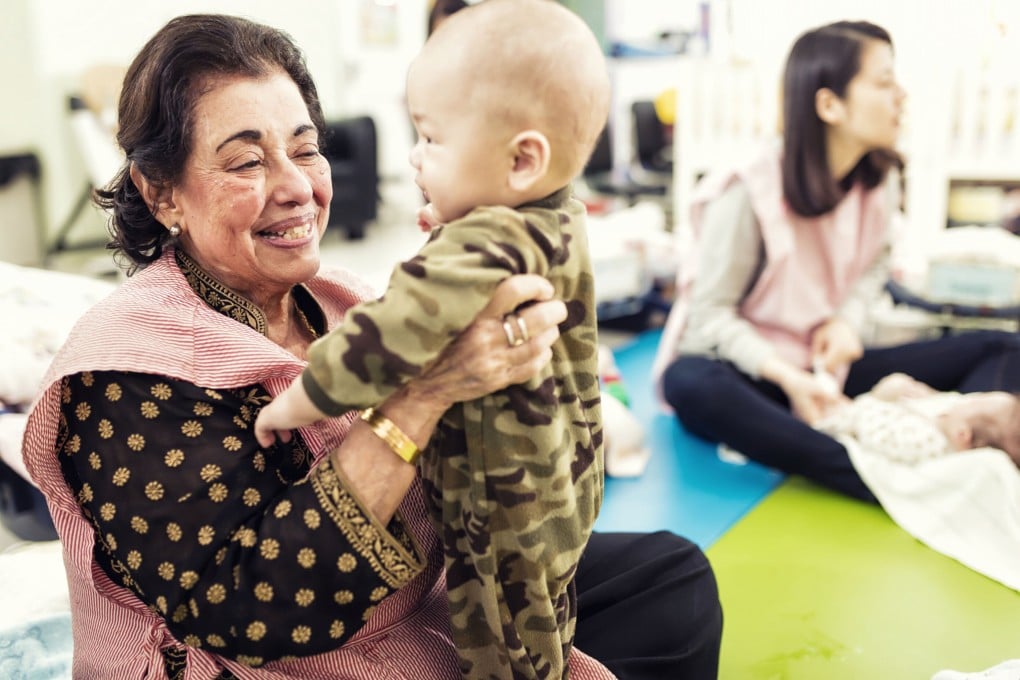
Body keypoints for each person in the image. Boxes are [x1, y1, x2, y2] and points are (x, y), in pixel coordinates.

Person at [21, 13, 722, 680]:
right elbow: (249, 608)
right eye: (245, 163)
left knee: (669, 577)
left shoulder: (340, 297)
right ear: (161, 192)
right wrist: (425, 394)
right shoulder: (122, 376)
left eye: (304, 148)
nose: (296, 187)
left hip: (416, 596)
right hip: (270, 653)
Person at [254, 1, 609, 676]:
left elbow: (390, 331)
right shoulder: (558, 215)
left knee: (501, 649)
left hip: (501, 506)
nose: (416, 157)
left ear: (522, 159)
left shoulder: (481, 242)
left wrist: (299, 399)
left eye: (432, 139)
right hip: (566, 482)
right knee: (550, 631)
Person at [653, 19, 1020, 502]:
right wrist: (789, 378)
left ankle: (958, 435)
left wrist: (846, 322)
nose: (901, 96)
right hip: (757, 374)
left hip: (828, 369)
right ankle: (876, 472)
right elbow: (709, 317)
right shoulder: (748, 191)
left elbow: (873, 267)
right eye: (885, 82)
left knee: (1003, 348)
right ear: (829, 104)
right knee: (690, 382)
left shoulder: (880, 180)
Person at [817, 372, 1020, 465]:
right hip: (872, 406)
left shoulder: (928, 442)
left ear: (962, 435)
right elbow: (948, 399)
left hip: (845, 422)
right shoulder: (953, 422)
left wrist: (879, 397)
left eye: (971, 401)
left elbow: (876, 433)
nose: (962, 399)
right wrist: (926, 394)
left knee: (820, 408)